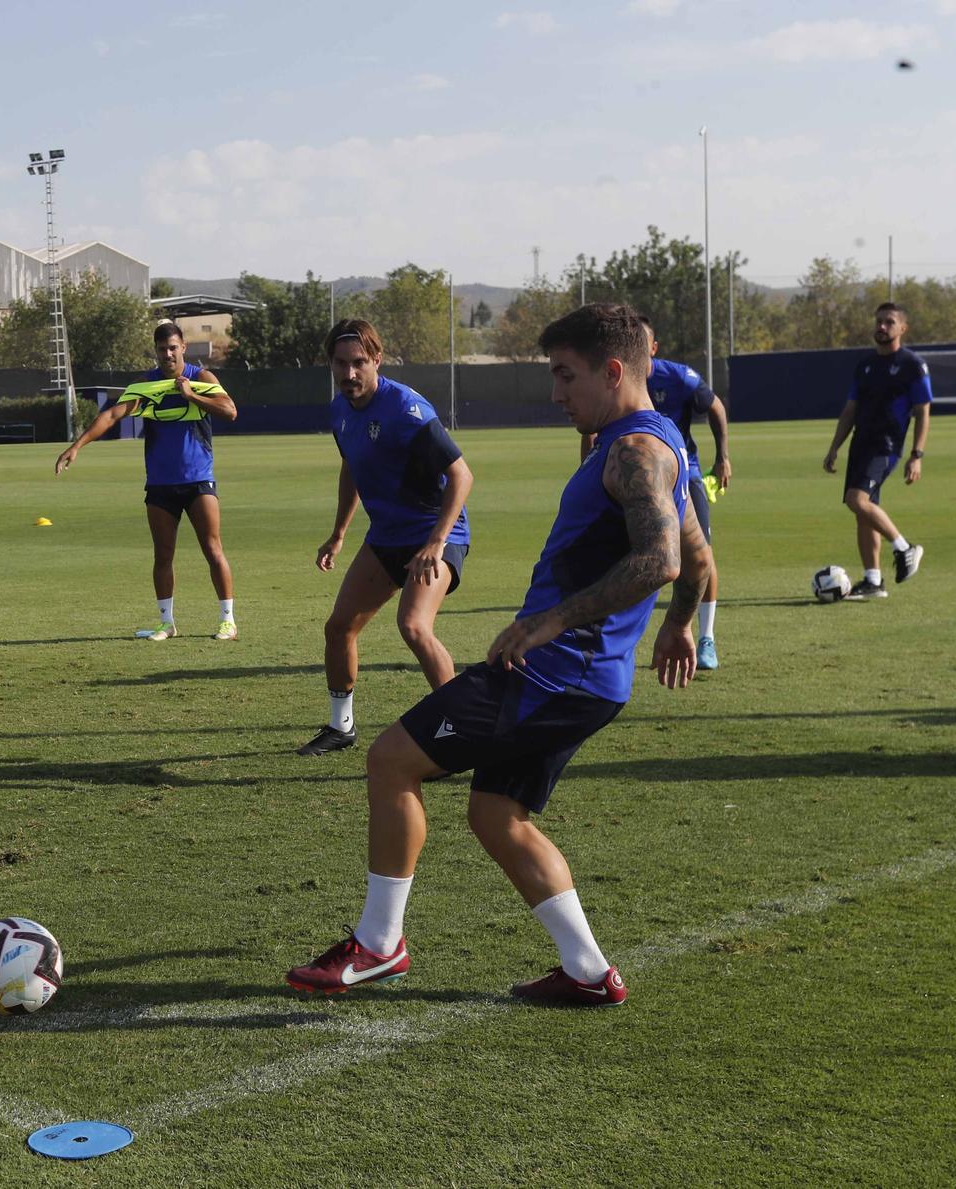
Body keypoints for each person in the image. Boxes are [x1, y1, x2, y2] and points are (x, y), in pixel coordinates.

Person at [286, 303, 711, 1006]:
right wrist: (680, 625)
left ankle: (378, 944)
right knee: (495, 813)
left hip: (554, 671)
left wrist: (550, 621)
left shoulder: (637, 451)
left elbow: (661, 558)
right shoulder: (655, 440)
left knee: (391, 759)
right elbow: (694, 559)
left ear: (613, 371)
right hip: (587, 677)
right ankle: (587, 970)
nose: (556, 392)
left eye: (565, 375)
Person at [299, 319, 473, 757]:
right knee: (339, 628)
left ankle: (462, 730)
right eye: (341, 364)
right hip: (386, 537)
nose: (350, 373)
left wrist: (436, 542)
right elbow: (351, 468)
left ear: (377, 359)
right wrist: (338, 534)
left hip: (436, 535)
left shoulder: (405, 409)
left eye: (359, 362)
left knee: (413, 625)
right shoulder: (340, 410)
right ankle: (341, 728)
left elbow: (461, 475)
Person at [55, 322, 239, 641]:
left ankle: (228, 621)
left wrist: (191, 394)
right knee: (163, 554)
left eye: (172, 347)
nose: (167, 354)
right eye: (161, 349)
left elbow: (230, 411)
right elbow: (112, 416)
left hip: (198, 480)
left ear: (183, 347)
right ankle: (166, 623)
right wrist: (77, 447)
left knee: (213, 548)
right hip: (160, 484)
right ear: (155, 351)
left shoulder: (202, 378)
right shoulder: (146, 385)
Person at [581, 316, 730, 668]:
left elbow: (715, 407)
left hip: (683, 474)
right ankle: (608, 642)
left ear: (652, 348)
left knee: (699, 552)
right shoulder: (612, 381)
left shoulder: (677, 377)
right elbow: (589, 428)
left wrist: (722, 456)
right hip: (625, 477)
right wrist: (587, 467)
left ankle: (706, 637)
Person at [823, 303, 930, 598]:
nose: (882, 327)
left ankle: (905, 548)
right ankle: (873, 581)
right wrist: (835, 447)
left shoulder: (912, 365)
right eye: (879, 321)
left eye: (889, 322)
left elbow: (923, 411)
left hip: (886, 446)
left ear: (902, 329)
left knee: (856, 500)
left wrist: (916, 455)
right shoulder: (865, 365)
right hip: (861, 444)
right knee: (863, 513)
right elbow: (850, 411)